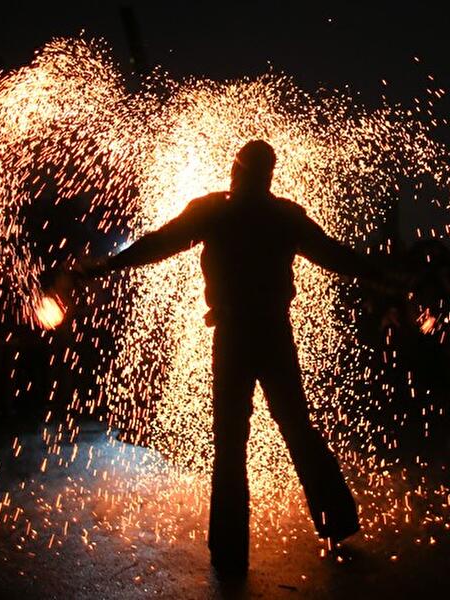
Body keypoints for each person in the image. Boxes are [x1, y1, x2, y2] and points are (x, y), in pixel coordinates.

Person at [73, 140, 388, 575]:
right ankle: (337, 520)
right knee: (296, 426)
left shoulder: (215, 210)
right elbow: (334, 255)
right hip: (275, 334)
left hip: (234, 334)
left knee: (230, 444)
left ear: (236, 171)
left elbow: (158, 243)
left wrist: (105, 267)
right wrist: (387, 273)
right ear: (269, 174)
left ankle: (228, 554)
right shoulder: (284, 216)